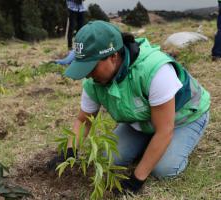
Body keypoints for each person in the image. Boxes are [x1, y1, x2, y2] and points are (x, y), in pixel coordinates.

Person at [47, 21, 210, 195]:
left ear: (113, 56)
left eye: (91, 67)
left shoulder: (154, 70)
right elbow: (83, 120)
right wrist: (69, 152)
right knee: (108, 158)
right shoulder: (93, 81)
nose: (87, 74)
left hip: (182, 118)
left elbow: (164, 130)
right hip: (142, 120)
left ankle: (171, 146)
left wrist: (136, 180)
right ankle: (150, 145)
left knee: (163, 170)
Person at [55, 0, 86, 65]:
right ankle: (70, 47)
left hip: (81, 9)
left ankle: (79, 48)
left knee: (81, 30)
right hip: (72, 8)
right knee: (71, 28)